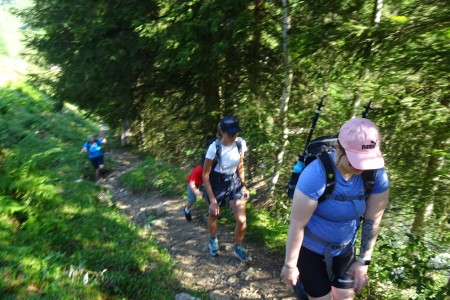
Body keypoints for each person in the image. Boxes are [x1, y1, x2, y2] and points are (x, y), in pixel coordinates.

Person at [280, 118, 390, 299]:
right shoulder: (316, 174)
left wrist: (363, 261)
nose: (361, 168)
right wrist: (290, 265)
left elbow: (373, 219)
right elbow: (297, 224)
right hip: (310, 250)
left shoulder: (376, 173)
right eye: (355, 162)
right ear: (339, 148)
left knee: (345, 297)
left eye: (366, 161)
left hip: (345, 249)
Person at [202, 116, 250, 262]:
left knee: (241, 220)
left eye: (235, 133)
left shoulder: (240, 144)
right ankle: (212, 240)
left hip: (233, 182)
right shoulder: (214, 148)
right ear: (222, 132)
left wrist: (243, 185)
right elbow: (205, 175)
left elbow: (240, 165)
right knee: (214, 215)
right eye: (230, 134)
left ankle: (238, 247)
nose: (233, 136)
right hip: (216, 183)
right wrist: (212, 200)